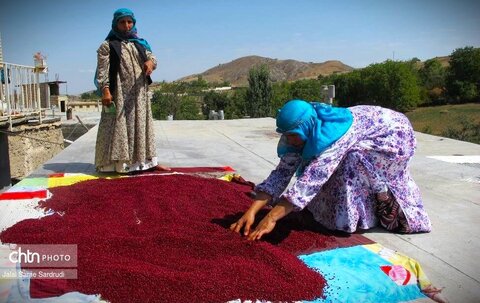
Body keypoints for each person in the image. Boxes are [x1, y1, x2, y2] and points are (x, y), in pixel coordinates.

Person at [230, 99, 432, 240]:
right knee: (331, 166)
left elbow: (311, 180)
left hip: (392, 138)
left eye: (292, 135)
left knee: (350, 163)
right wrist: (251, 212)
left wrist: (271, 218)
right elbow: (281, 173)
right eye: (286, 135)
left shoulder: (334, 136)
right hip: (368, 129)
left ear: (305, 126)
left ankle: (354, 220)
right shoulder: (303, 130)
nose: (289, 140)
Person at [94, 8, 169, 173]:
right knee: (119, 126)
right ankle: (118, 165)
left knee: (141, 126)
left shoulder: (139, 43)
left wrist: (150, 63)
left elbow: (152, 58)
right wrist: (105, 90)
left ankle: (146, 163)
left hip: (139, 93)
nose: (126, 26)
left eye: (129, 22)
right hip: (119, 92)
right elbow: (102, 71)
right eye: (122, 22)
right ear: (115, 24)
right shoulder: (107, 46)